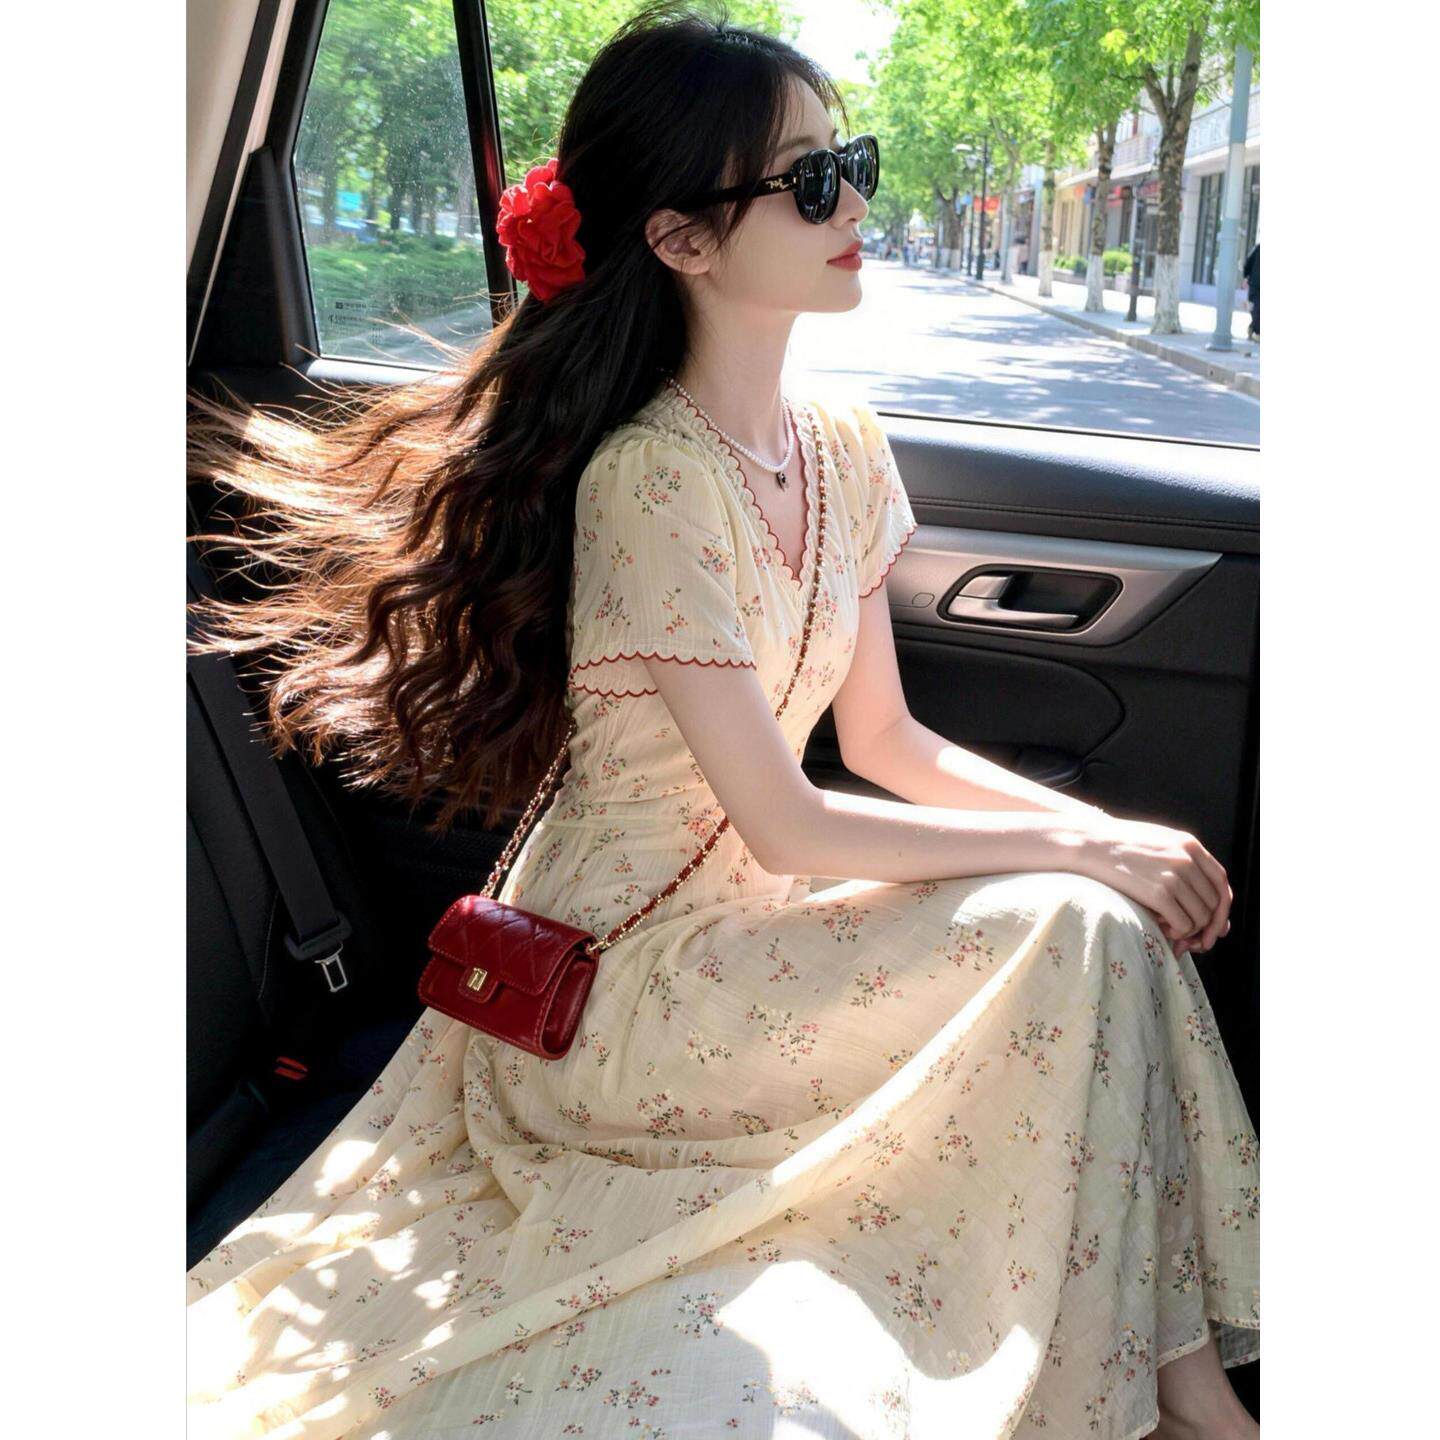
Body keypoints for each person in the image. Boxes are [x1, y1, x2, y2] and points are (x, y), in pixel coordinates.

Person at [185, 5, 1259, 1436]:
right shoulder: (652, 481)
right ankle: (1186, 1403)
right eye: (810, 181)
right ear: (682, 240)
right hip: (632, 983)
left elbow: (886, 745)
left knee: (1102, 920)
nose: (855, 205)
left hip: (762, 928)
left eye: (851, 163)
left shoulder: (841, 446)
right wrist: (1085, 855)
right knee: (1081, 920)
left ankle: (1186, 1392)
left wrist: (1106, 834)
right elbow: (789, 818)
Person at [1242, 239, 1260, 340]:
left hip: (1255, 284)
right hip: (1255, 285)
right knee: (1255, 308)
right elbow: (1248, 263)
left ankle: (1253, 329)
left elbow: (1247, 263)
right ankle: (1255, 331)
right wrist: (1246, 277)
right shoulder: (1259, 248)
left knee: (1257, 309)